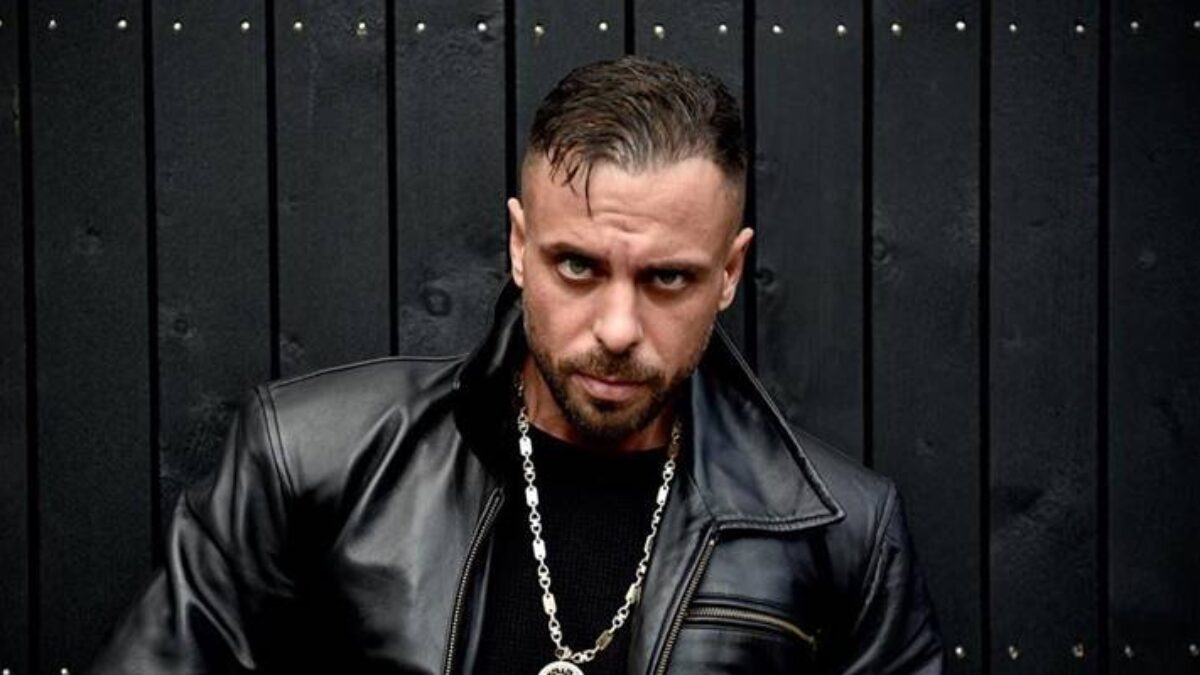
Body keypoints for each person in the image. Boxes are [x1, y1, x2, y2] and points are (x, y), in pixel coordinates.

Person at [92, 56, 943, 674]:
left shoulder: (839, 534)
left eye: (668, 278)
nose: (617, 328)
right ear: (518, 246)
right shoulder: (313, 458)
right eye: (577, 265)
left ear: (728, 273)